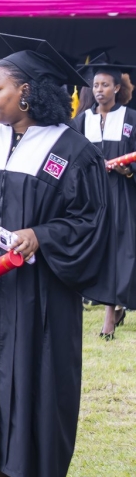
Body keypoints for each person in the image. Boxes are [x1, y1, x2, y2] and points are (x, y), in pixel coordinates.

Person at [0, 34, 113, 477]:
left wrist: (42, 235)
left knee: (42, 389)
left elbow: (91, 221)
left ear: (28, 92)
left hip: (44, 295)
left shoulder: (71, 151)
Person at [72, 60, 136, 339]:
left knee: (122, 249)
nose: (99, 90)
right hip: (93, 193)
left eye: (105, 85)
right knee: (99, 248)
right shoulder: (81, 121)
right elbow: (71, 156)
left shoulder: (131, 118)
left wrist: (129, 169)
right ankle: (112, 307)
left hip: (123, 193)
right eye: (95, 85)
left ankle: (112, 313)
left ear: (117, 88)